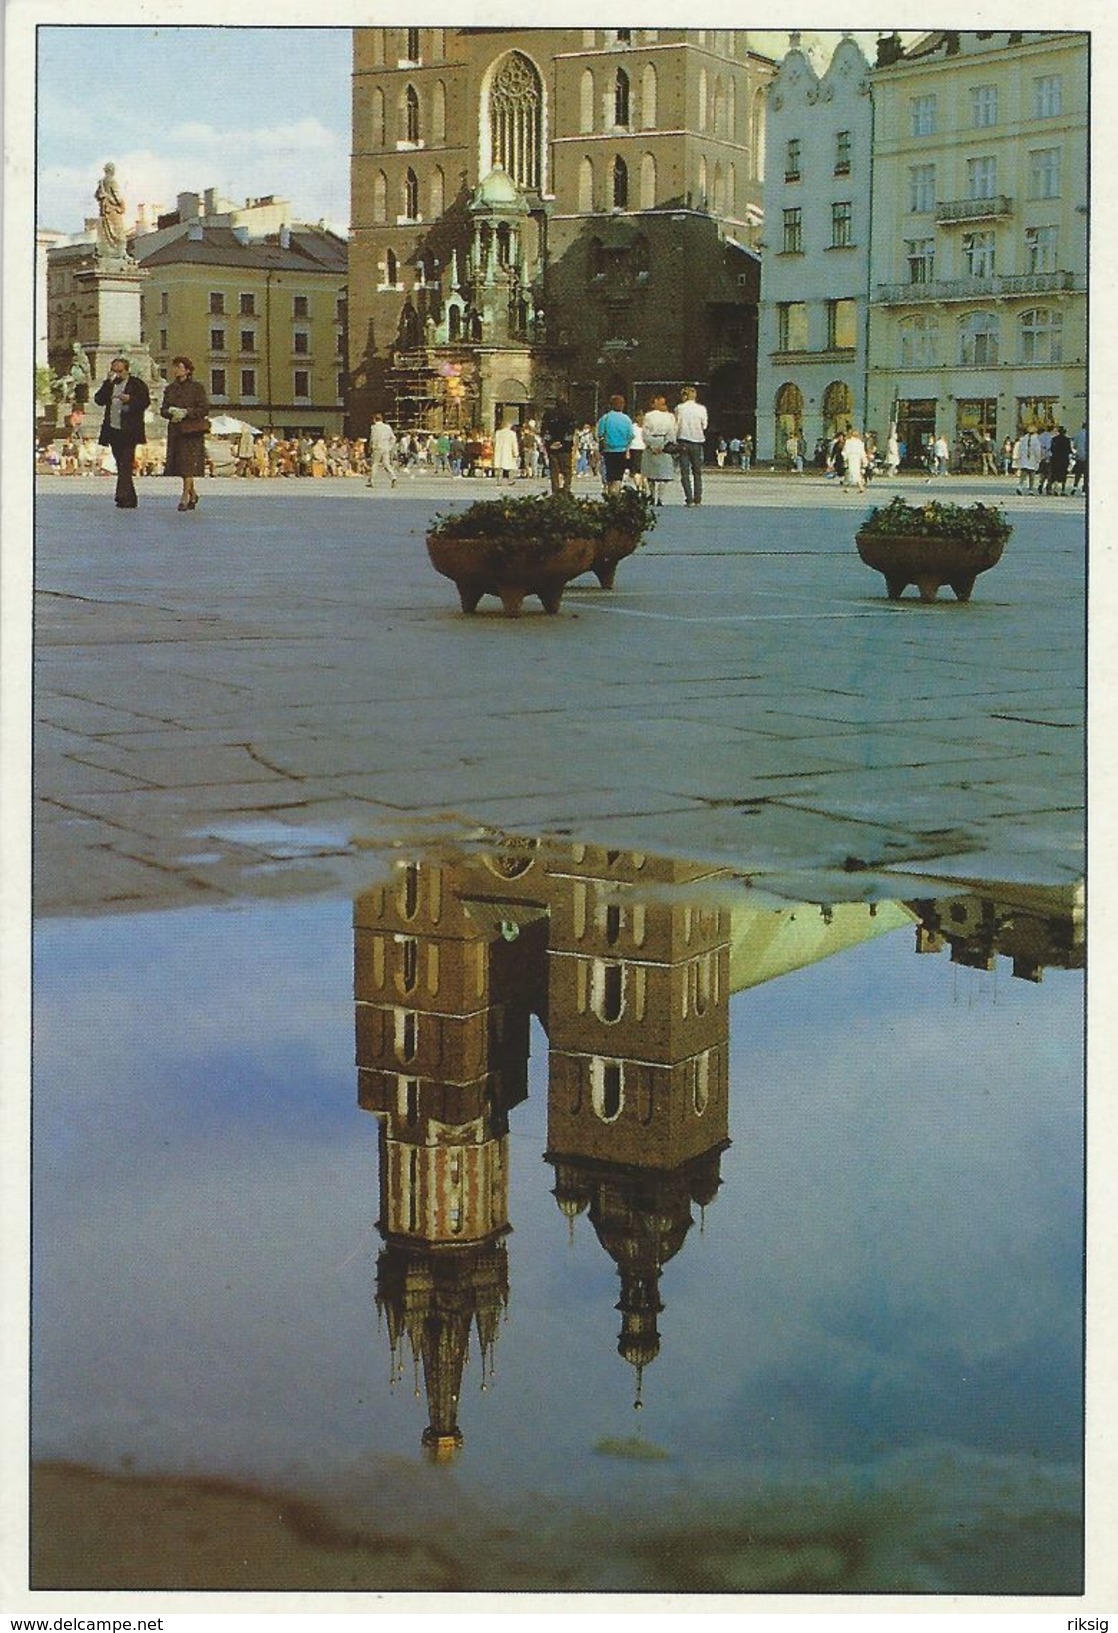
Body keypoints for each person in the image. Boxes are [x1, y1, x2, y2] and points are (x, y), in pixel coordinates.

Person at [93, 356, 150, 509]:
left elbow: (145, 401)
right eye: (114, 371)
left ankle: (123, 496)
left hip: (129, 430)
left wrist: (130, 399)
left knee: (126, 462)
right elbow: (98, 400)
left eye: (120, 371)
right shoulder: (110, 384)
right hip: (113, 429)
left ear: (126, 370)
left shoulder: (136, 384)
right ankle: (129, 497)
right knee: (121, 464)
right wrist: (107, 383)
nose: (117, 374)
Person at [160, 355, 209, 511]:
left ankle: (184, 497)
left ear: (187, 370)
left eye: (179, 367)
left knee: (188, 464)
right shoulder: (170, 389)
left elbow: (204, 408)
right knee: (181, 465)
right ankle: (193, 493)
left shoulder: (197, 388)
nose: (175, 370)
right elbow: (163, 409)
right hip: (176, 429)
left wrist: (187, 412)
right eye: (174, 367)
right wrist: (170, 412)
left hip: (191, 431)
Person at [674, 385, 708, 505]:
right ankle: (698, 498)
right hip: (697, 442)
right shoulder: (702, 409)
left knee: (685, 472)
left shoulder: (679, 408)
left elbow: (676, 425)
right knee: (697, 472)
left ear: (684, 396)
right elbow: (704, 425)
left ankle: (689, 499)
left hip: (683, 441)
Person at [641, 395, 677, 507]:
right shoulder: (649, 415)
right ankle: (652, 495)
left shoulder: (670, 416)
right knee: (651, 474)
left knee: (663, 475)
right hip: (657, 443)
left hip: (661, 443)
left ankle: (660, 497)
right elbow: (645, 431)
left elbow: (672, 431)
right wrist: (655, 445)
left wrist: (663, 445)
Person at [596, 394, 635, 493]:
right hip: (621, 450)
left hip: (608, 450)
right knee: (618, 475)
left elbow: (600, 434)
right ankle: (616, 493)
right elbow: (630, 435)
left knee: (610, 474)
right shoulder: (626, 419)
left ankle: (610, 492)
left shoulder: (605, 418)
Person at [540, 398, 577, 493]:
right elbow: (571, 431)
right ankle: (566, 487)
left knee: (554, 469)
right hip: (565, 448)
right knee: (567, 469)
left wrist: (550, 443)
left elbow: (544, 430)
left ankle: (555, 489)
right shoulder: (570, 414)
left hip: (552, 447)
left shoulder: (548, 414)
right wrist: (563, 442)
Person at [95, 162, 128, 257]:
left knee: (107, 232)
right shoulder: (112, 181)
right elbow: (117, 196)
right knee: (119, 232)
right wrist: (122, 205)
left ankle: (109, 252)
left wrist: (104, 197)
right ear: (111, 170)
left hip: (105, 211)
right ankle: (120, 252)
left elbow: (97, 195)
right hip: (113, 210)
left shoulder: (102, 182)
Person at [366, 413, 398, 488]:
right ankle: (393, 477)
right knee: (386, 464)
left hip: (377, 448)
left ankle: (372, 480)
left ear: (374, 419)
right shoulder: (387, 427)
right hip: (385, 447)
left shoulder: (373, 427)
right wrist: (390, 446)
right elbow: (393, 438)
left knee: (375, 464)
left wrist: (370, 447)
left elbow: (372, 438)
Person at [1015, 425, 1043, 494]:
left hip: (1024, 459)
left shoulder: (1023, 439)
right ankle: (1030, 489)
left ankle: (1020, 486)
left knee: (1023, 475)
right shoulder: (1036, 440)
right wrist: (1038, 459)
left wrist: (1020, 457)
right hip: (1032, 459)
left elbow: (1020, 449)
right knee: (1032, 476)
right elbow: (1037, 450)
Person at [840, 428, 868, 493]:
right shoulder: (860, 442)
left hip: (851, 458)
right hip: (857, 459)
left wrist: (845, 459)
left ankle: (855, 487)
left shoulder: (848, 442)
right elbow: (862, 452)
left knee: (851, 473)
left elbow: (845, 451)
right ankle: (857, 487)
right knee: (854, 473)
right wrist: (864, 461)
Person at [1047, 426, 1073, 495]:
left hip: (1055, 459)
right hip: (1064, 459)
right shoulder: (1067, 440)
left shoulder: (1054, 439)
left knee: (1055, 474)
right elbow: (1069, 450)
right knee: (1063, 475)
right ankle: (1063, 490)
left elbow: (1052, 449)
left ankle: (1055, 488)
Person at [492, 418, 520, 484]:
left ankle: (499, 481)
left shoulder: (498, 433)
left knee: (499, 466)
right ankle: (510, 480)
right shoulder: (512, 434)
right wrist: (516, 452)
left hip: (499, 452)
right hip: (509, 452)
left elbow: (494, 442)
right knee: (511, 466)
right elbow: (514, 444)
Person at [1071, 422, 1088, 496]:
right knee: (1086, 475)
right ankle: (1084, 489)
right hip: (1087, 457)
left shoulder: (1078, 434)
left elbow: (1074, 446)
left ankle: (1075, 486)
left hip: (1079, 457)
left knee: (1078, 474)